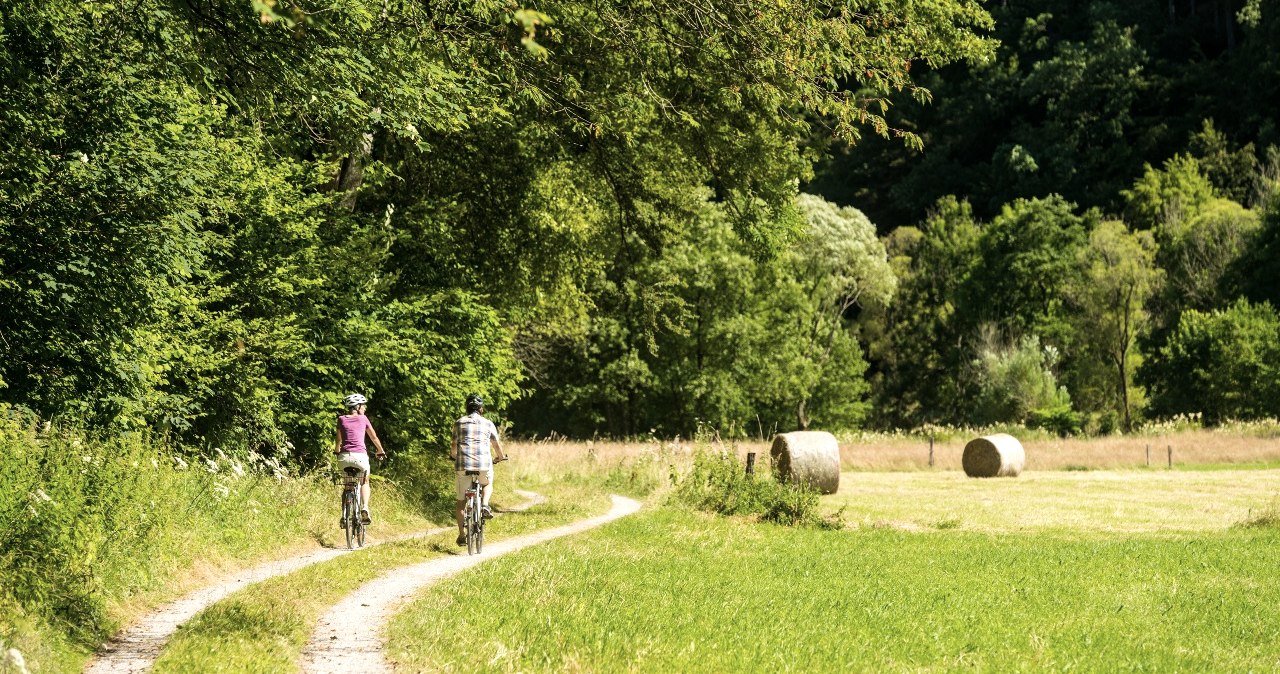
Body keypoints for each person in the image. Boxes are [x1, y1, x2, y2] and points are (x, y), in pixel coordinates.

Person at [451, 393, 507, 546]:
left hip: (463, 465)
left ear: (466, 408)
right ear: (481, 409)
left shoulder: (458, 423)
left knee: (461, 502)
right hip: (483, 464)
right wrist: (500, 457)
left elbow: (454, 447)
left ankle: (462, 535)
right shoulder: (488, 424)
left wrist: (453, 456)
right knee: (487, 483)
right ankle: (484, 505)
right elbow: (496, 445)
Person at [335, 393, 386, 526]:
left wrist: (336, 450)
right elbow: (374, 438)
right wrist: (380, 450)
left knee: (347, 485)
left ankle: (344, 515)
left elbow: (338, 439)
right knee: (365, 482)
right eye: (363, 406)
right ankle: (365, 507)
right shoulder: (363, 419)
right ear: (357, 407)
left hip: (344, 457)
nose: (364, 408)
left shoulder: (341, 419)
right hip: (360, 457)